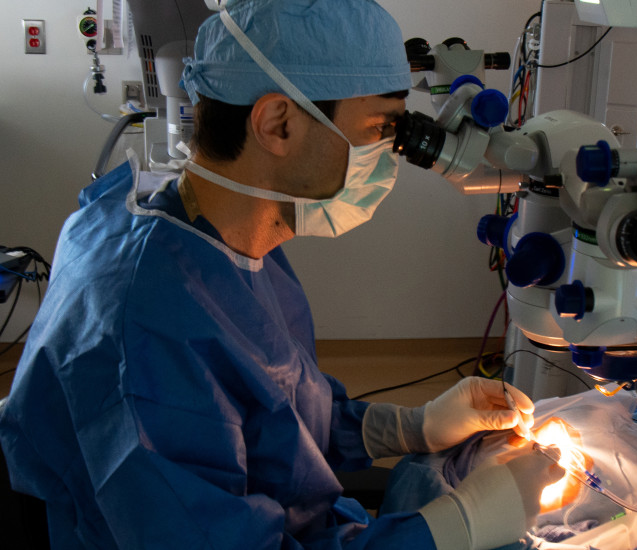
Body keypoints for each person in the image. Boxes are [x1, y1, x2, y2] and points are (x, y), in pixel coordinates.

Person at [0, 1, 564, 549]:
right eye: (379, 127)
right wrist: (459, 525)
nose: (390, 154)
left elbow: (272, 417)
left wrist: (407, 427)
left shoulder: (219, 237)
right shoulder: (147, 327)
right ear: (277, 122)